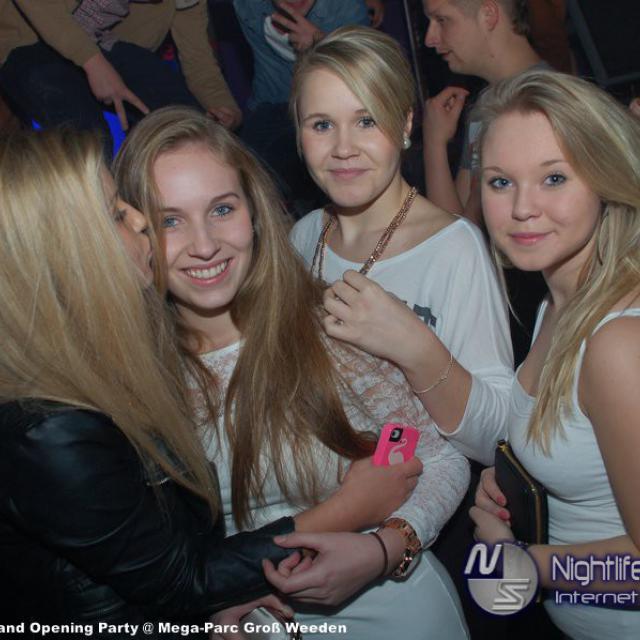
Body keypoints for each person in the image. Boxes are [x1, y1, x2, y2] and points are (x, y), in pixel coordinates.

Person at [0, 128, 391, 634]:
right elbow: (180, 579)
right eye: (117, 214)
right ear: (64, 252)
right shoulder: (50, 425)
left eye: (222, 209)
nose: (139, 220)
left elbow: (167, 557)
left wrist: (393, 541)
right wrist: (349, 509)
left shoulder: (104, 361)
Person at [114, 105, 471, 640]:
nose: (205, 245)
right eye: (170, 221)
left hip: (393, 610)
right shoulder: (130, 378)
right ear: (133, 233)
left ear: (254, 212)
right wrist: (207, 607)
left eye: (222, 209)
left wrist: (384, 547)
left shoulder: (330, 327)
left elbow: (434, 457)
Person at [289, 25, 512, 466]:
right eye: (322, 125)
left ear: (406, 123)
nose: (343, 148)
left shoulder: (452, 248)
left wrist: (416, 349)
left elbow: (498, 438)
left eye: (366, 121)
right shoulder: (305, 236)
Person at [469, 70, 640, 639]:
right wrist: (517, 483)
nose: (522, 208)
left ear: (605, 177)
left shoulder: (618, 343)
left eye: (554, 178)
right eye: (500, 182)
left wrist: (519, 565)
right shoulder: (553, 303)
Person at [0, 0, 240, 158]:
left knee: (186, 120)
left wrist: (223, 107)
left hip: (104, 43)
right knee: (89, 137)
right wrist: (92, 62)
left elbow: (199, 61)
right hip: (27, 43)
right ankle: (90, 212)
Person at [232, 0, 369, 214]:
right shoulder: (248, 5)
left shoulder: (346, 8)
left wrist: (322, 44)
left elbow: (370, 78)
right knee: (246, 179)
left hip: (332, 108)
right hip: (271, 105)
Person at [421, 0, 546, 222]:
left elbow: (459, 235)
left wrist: (433, 144)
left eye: (441, 20)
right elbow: (455, 228)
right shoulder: (487, 103)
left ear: (488, 15)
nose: (430, 39)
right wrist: (435, 143)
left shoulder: (541, 106)